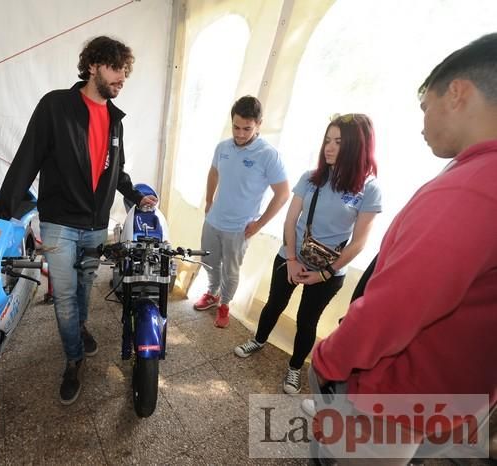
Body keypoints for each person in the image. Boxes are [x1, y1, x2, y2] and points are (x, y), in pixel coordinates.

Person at [309, 33, 497, 463]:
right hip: (452, 396)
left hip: (396, 400)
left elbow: (394, 308)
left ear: (456, 92)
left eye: (424, 106)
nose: (422, 122)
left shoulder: (470, 191)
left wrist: (329, 358)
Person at [0, 36, 157, 405]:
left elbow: (116, 170)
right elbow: (28, 156)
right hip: (59, 223)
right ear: (95, 65)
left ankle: (80, 330)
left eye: (126, 72)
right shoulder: (56, 105)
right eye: (117, 69)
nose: (122, 79)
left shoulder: (116, 120)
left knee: (84, 286)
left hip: (96, 223)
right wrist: (6, 209)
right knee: (65, 296)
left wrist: (134, 195)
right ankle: (73, 360)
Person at [233, 113, 382, 396]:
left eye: (338, 142)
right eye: (327, 140)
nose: (329, 147)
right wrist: (290, 260)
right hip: (291, 255)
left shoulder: (369, 189)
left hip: (329, 270)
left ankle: (295, 366)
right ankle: (259, 339)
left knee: (306, 321)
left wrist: (323, 274)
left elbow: (359, 243)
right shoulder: (311, 178)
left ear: (357, 146)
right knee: (274, 304)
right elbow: (290, 221)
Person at [193, 95, 290, 328]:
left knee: (231, 271)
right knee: (208, 261)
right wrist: (208, 200)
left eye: (247, 129)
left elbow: (283, 194)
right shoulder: (223, 147)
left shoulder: (268, 154)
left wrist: (259, 224)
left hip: (239, 228)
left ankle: (224, 304)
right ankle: (211, 293)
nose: (240, 134)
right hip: (213, 220)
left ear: (259, 124)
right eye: (236, 127)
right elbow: (214, 172)